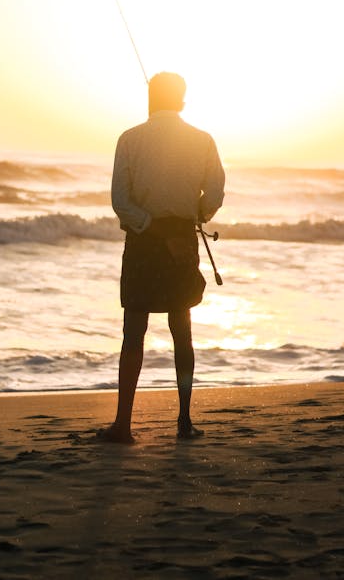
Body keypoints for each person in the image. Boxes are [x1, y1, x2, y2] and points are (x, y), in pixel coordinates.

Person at [101, 72, 225, 443]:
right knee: (181, 332)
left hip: (143, 243)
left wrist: (149, 225)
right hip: (181, 241)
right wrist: (196, 215)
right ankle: (184, 422)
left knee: (133, 334)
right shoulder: (202, 140)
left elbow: (121, 202)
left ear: (150, 99)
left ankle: (123, 425)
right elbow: (216, 191)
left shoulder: (129, 139)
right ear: (182, 101)